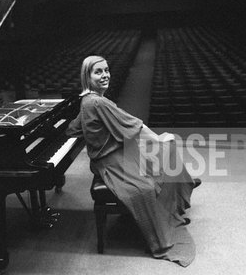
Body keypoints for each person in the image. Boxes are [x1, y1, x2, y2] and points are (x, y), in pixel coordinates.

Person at [66, 55, 200, 267]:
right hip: (113, 161)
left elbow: (72, 128)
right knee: (164, 152)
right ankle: (176, 201)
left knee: (164, 154)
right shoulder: (97, 102)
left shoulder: (87, 100)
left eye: (106, 70)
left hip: (112, 155)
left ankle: (180, 191)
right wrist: (158, 137)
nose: (105, 75)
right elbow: (133, 125)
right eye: (98, 72)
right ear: (87, 76)